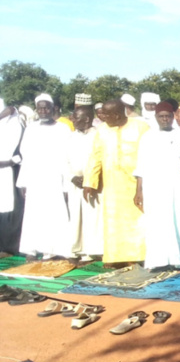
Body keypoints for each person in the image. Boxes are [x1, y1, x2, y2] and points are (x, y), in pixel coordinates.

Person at [83, 99, 149, 265]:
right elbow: (95, 155)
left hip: (136, 184)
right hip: (112, 185)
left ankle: (136, 258)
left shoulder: (141, 128)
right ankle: (115, 257)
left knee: (137, 223)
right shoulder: (102, 130)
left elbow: (150, 156)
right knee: (113, 223)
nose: (102, 116)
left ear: (117, 114)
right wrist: (89, 182)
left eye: (106, 113)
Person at [17, 94, 73, 259]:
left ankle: (51, 251)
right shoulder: (31, 128)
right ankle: (31, 250)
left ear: (53, 108)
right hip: (35, 179)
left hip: (55, 178)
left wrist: (66, 185)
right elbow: (25, 156)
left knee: (54, 214)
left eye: (46, 107)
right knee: (33, 214)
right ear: (36, 109)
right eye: (40, 108)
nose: (43, 111)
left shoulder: (63, 129)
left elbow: (67, 157)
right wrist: (23, 182)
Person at [133, 101, 180, 269]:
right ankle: (158, 261)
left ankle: (179, 261)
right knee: (156, 223)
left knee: (178, 221)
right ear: (155, 118)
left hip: (176, 186)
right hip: (154, 187)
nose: (165, 120)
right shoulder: (148, 137)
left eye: (168, 116)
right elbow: (141, 165)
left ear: (173, 117)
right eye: (161, 117)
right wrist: (138, 191)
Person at [67, 105, 103, 260]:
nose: (72, 120)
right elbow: (63, 160)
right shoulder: (71, 136)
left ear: (87, 119)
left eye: (76, 117)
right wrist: (72, 177)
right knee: (75, 217)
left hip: (93, 184)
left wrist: (90, 178)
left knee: (92, 217)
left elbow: (101, 159)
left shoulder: (98, 135)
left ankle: (91, 251)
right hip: (75, 183)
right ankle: (76, 249)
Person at [0, 100, 24, 254]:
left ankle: (9, 247)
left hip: (10, 171)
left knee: (11, 210)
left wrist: (10, 161)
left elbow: (24, 150)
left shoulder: (16, 124)